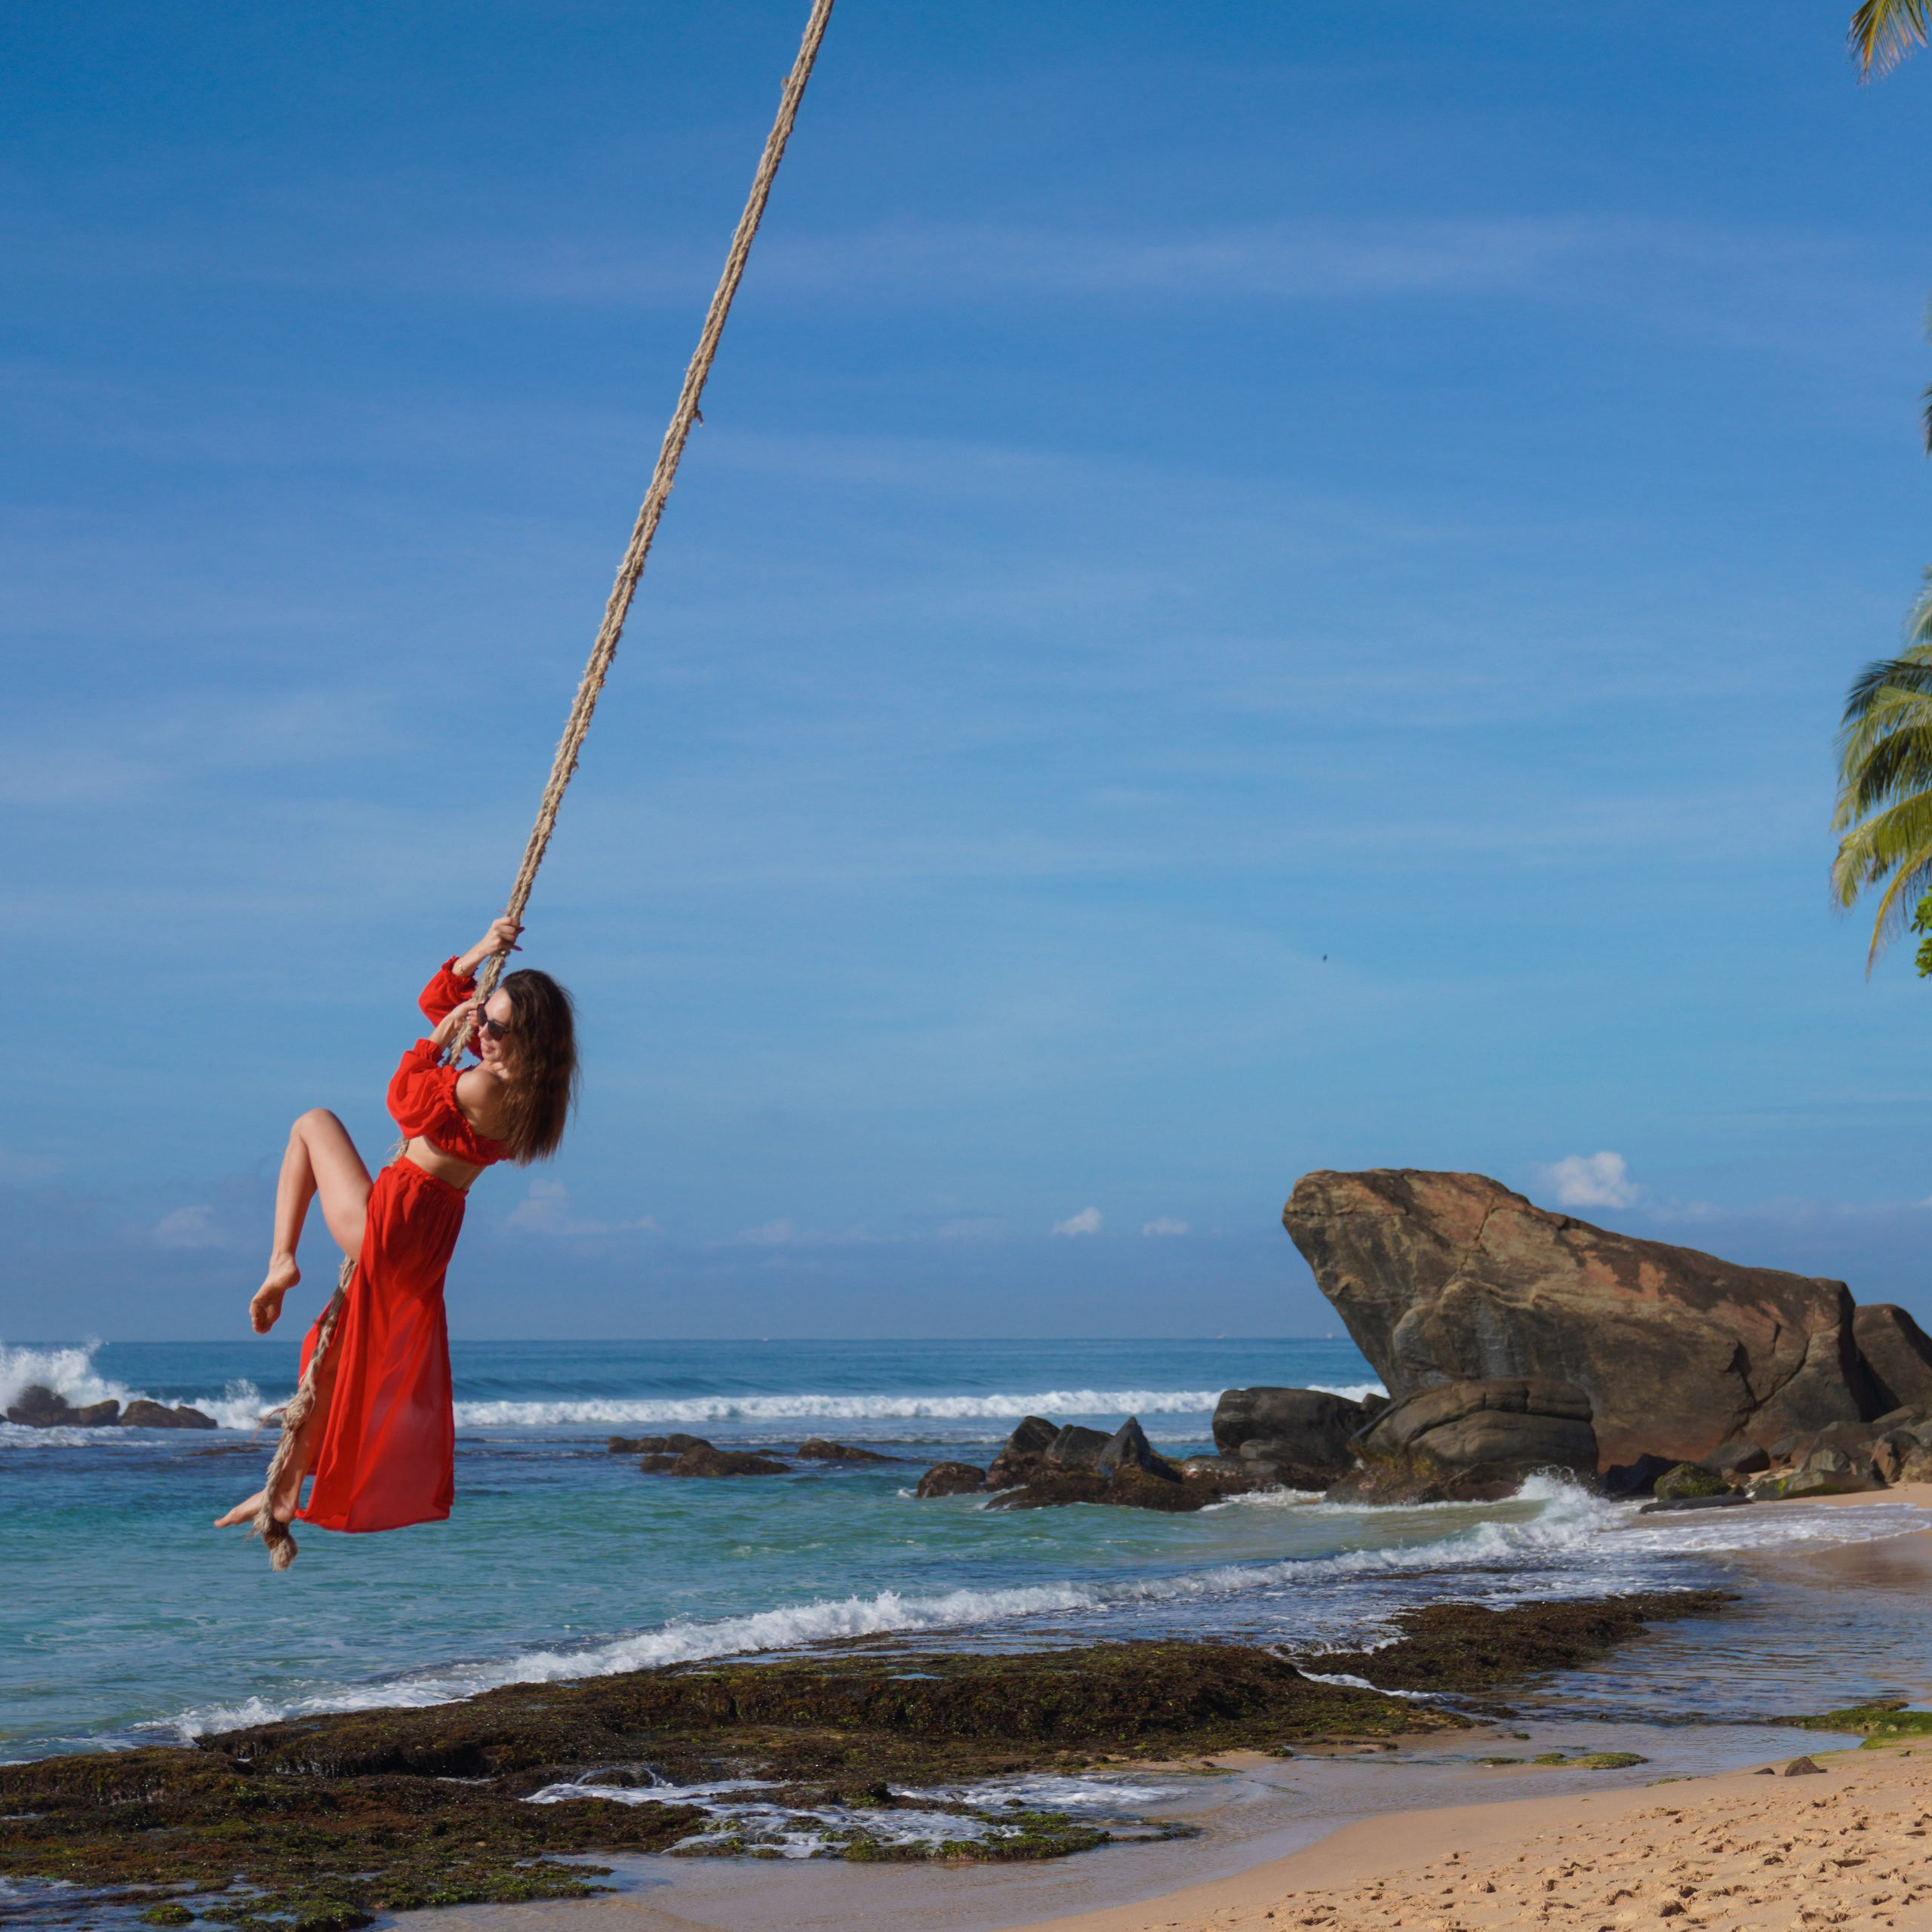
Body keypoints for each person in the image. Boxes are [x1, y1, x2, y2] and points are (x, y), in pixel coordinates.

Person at [215, 917, 577, 1550]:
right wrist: (480, 954)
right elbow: (446, 1004)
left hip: (397, 1221)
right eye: (485, 1023)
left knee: (311, 1121)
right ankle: (280, 1494)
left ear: (528, 1039)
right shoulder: (528, 1092)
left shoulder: (483, 1084)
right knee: (329, 1363)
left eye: (497, 1027)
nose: (483, 1033)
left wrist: (433, 1046)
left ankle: (281, 1261)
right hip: (425, 1233)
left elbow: (405, 1101)